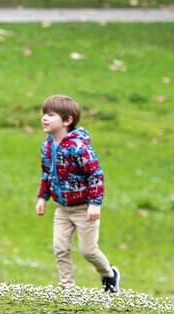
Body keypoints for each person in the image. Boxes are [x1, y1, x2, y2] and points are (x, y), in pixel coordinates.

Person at [35, 95, 120, 292]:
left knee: (88, 251)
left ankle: (109, 274)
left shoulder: (79, 147)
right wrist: (42, 197)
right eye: (44, 114)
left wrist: (95, 203)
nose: (44, 118)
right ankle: (68, 289)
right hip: (62, 209)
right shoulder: (46, 146)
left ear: (67, 121)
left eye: (51, 115)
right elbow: (46, 173)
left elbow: (96, 174)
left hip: (84, 209)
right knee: (60, 248)